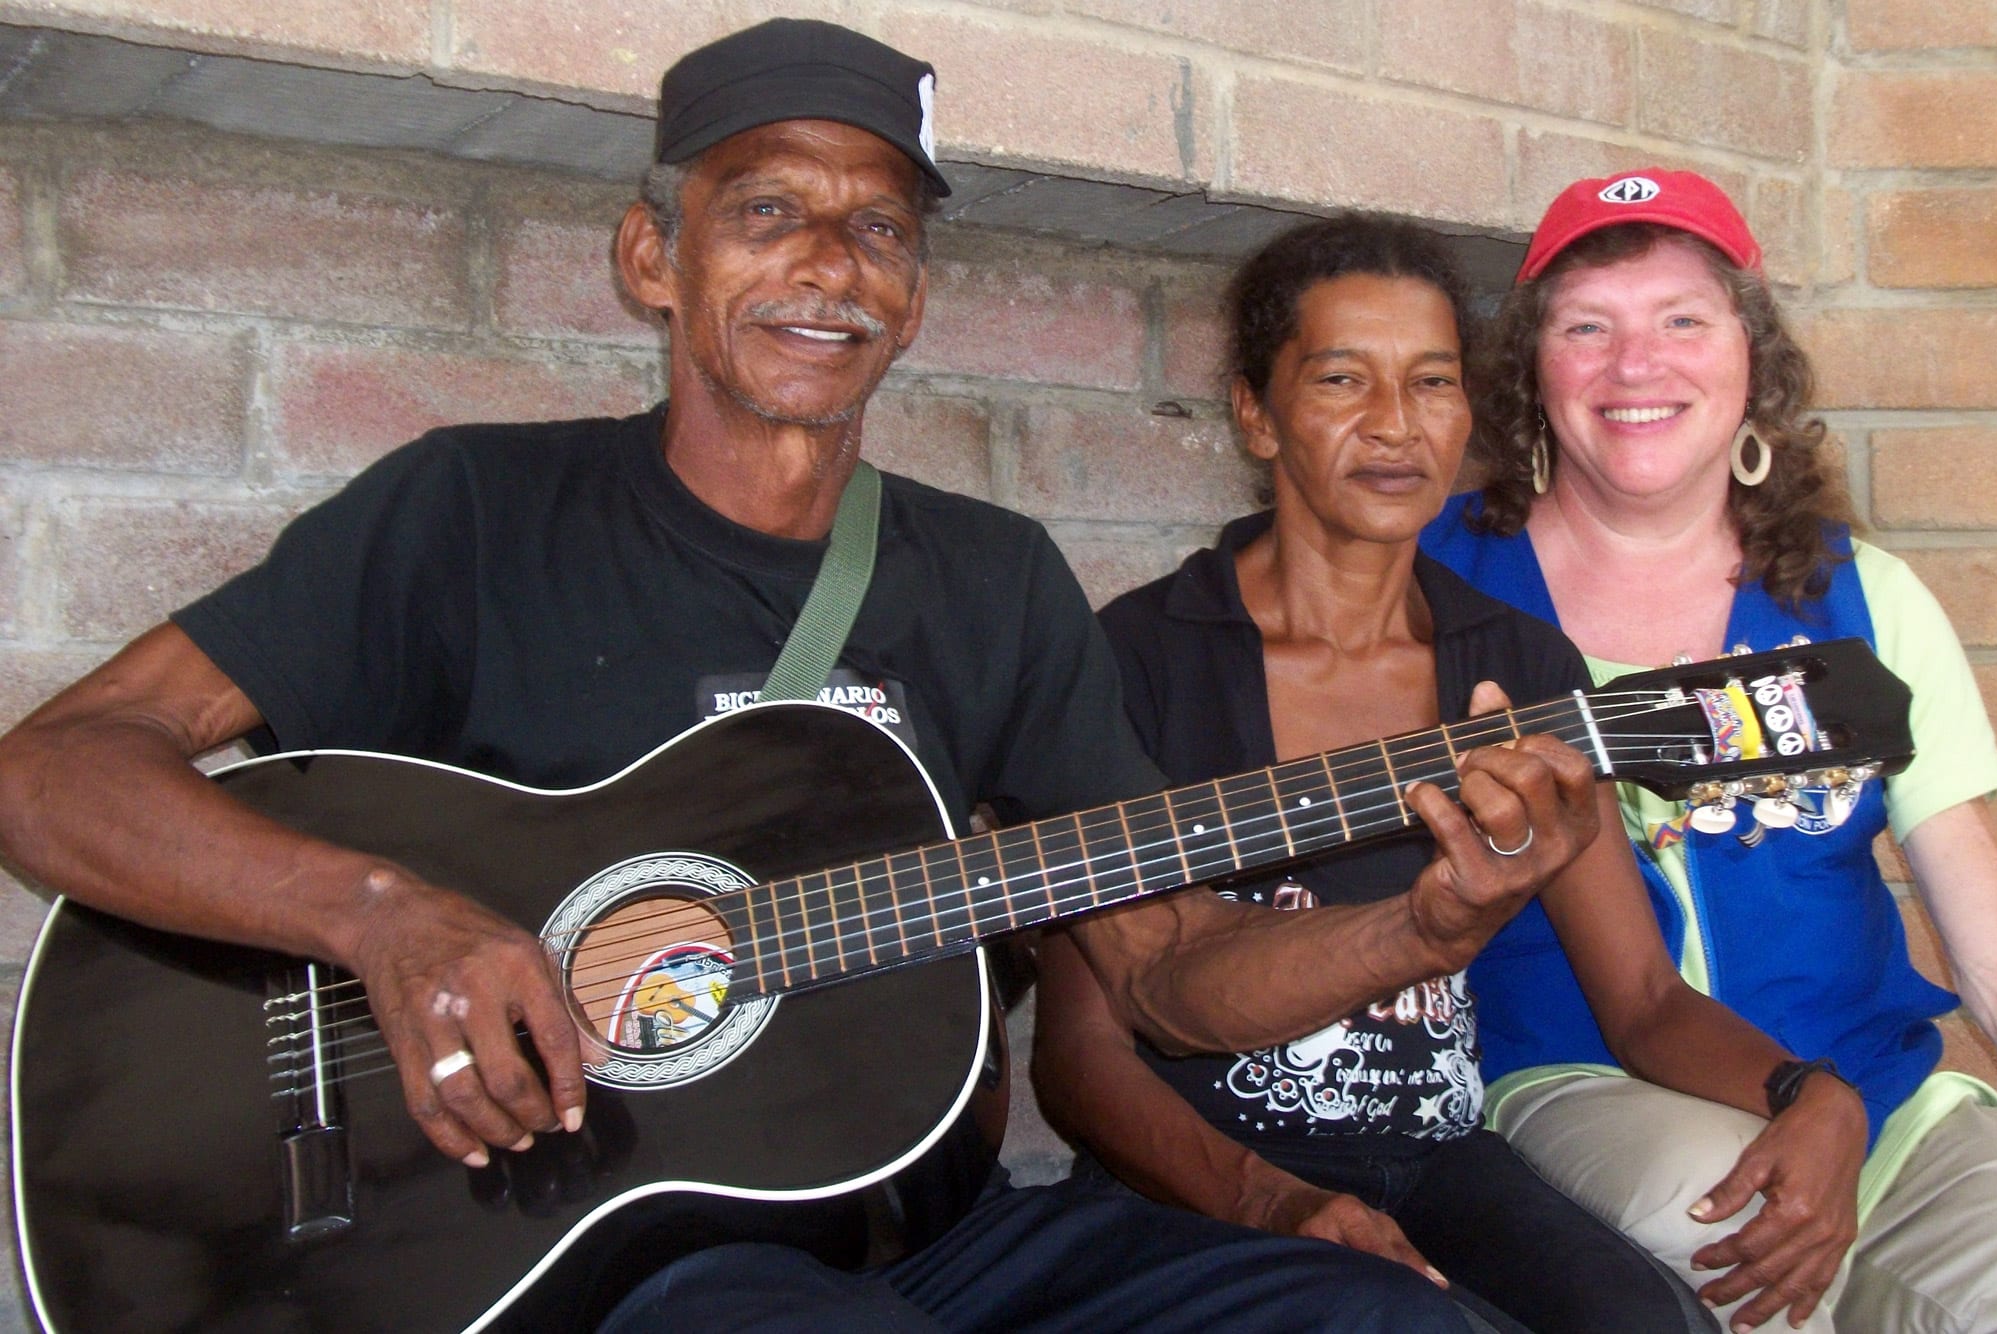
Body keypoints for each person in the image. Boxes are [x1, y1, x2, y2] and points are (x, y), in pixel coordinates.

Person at [0, 18, 1619, 1334]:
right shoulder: (472, 510)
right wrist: (384, 916)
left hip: (939, 1239)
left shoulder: (991, 580)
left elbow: (1169, 971)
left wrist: (1429, 925)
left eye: (880, 229)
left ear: (914, 295)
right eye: (768, 209)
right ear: (654, 254)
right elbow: (54, 769)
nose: (830, 264)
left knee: (1383, 1316)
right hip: (612, 1261)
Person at [1033, 215, 1873, 1334]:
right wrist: (1266, 1198)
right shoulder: (1138, 657)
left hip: (1438, 1161)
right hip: (1200, 1182)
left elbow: (1642, 999)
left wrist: (1808, 1091)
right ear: (1256, 411)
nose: (1395, 423)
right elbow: (1080, 1052)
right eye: (1342, 378)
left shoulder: (1516, 668)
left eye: (1431, 382)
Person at [1421, 169, 1997, 1333]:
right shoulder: (1433, 588)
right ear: (1531, 368)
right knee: (1742, 1246)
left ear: (1750, 357)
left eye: (1682, 319)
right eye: (1587, 327)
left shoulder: (1863, 597)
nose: (1636, 365)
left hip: (1877, 1095)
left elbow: (1977, 920)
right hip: (1582, 1081)